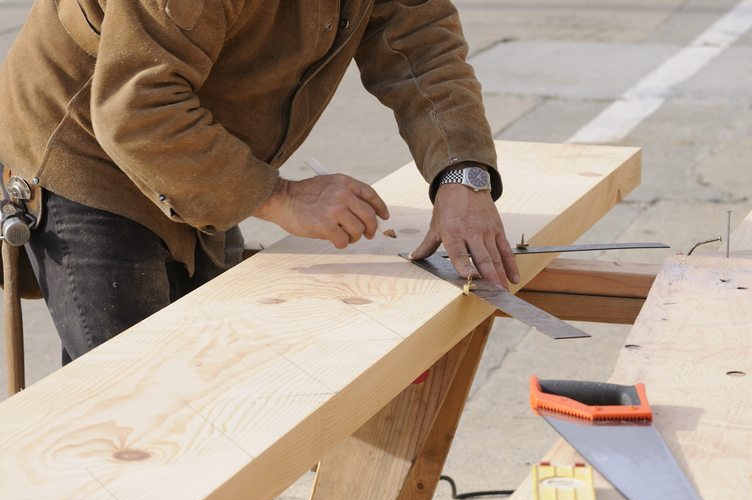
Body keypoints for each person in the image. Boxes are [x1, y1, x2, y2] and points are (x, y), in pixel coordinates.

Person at [0, 0, 520, 365]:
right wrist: (280, 197)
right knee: (130, 403)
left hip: (199, 141)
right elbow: (137, 107)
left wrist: (462, 177)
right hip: (87, 151)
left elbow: (423, 51)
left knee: (211, 374)